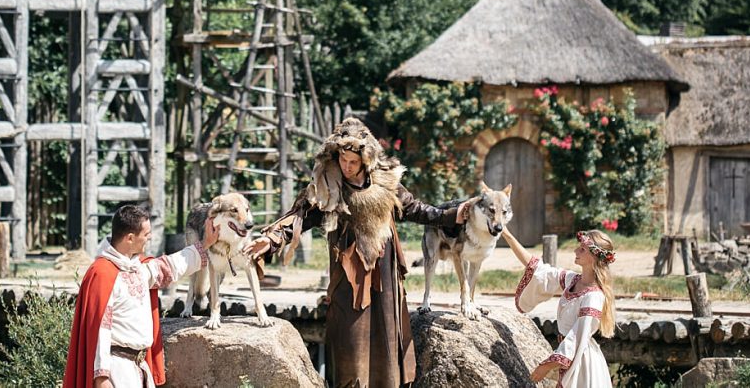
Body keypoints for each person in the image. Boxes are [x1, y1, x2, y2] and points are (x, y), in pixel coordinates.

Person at [242, 118, 475, 387]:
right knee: (349, 342)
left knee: (387, 338)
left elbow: (415, 209)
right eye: (343, 160)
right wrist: (271, 239)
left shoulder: (385, 181)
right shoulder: (328, 186)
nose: (347, 166)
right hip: (348, 274)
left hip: (384, 270)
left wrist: (450, 215)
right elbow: (299, 217)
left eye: (353, 162)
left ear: (365, 160)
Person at [63, 204, 219, 388]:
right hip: (116, 371)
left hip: (138, 368)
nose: (150, 237)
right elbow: (99, 331)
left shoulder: (137, 268)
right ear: (130, 238)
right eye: (146, 234)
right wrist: (102, 378)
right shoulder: (103, 274)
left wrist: (206, 243)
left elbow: (171, 266)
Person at [502, 226, 616, 387]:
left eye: (582, 249)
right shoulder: (573, 281)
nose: (576, 251)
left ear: (594, 257)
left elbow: (577, 337)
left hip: (583, 363)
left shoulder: (594, 297)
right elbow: (538, 270)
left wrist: (547, 365)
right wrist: (507, 235)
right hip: (569, 356)